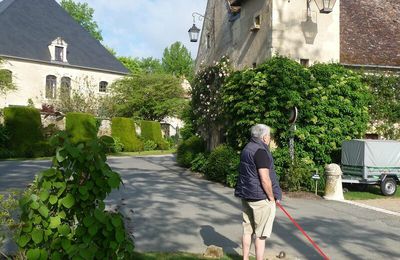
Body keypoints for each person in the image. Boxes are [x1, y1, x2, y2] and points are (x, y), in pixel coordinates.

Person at [234, 124, 282, 260]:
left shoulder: (247, 148)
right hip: (260, 198)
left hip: (246, 195)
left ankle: (245, 258)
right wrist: (271, 197)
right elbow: (265, 178)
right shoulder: (260, 151)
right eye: (269, 135)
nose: (270, 138)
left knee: (247, 231)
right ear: (264, 137)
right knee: (260, 235)